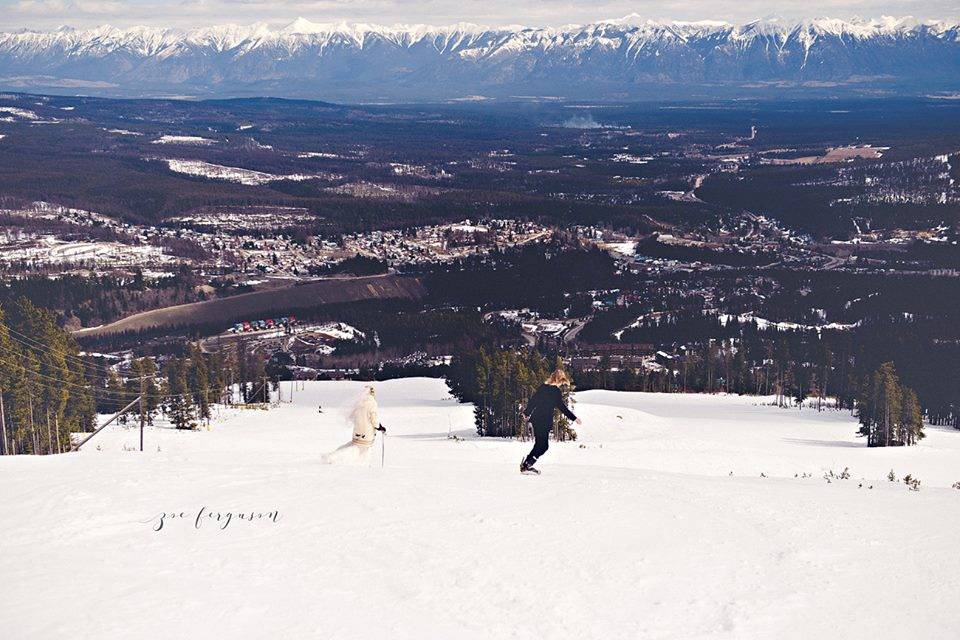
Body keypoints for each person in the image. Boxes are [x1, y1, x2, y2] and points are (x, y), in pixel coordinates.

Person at [520, 369, 581, 475]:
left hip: (537, 419)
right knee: (543, 446)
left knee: (540, 444)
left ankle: (527, 464)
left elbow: (534, 400)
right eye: (561, 381)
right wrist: (574, 418)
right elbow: (562, 408)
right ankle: (527, 465)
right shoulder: (555, 392)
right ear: (559, 380)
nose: (562, 384)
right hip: (544, 420)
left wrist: (527, 412)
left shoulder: (543, 387)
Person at [323, 386, 387, 466]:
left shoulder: (359, 402)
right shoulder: (372, 403)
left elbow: (352, 416)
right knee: (363, 451)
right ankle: (338, 459)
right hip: (367, 433)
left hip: (357, 430)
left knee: (354, 446)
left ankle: (333, 456)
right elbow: (374, 419)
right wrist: (380, 427)